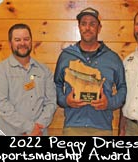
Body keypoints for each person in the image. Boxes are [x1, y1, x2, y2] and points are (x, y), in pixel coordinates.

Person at [54, 7, 127, 136]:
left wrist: (109, 103)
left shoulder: (113, 58)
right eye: (84, 23)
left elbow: (122, 88)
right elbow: (56, 85)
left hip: (102, 129)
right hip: (72, 127)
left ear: (99, 28)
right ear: (79, 27)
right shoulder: (66, 56)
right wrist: (65, 100)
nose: (88, 28)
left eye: (92, 24)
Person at [0, 23, 57, 136]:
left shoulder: (44, 70)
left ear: (31, 41)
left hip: (39, 133)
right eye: (17, 40)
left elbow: (51, 102)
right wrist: (30, 128)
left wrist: (38, 127)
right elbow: (2, 105)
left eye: (26, 39)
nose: (22, 43)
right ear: (10, 43)